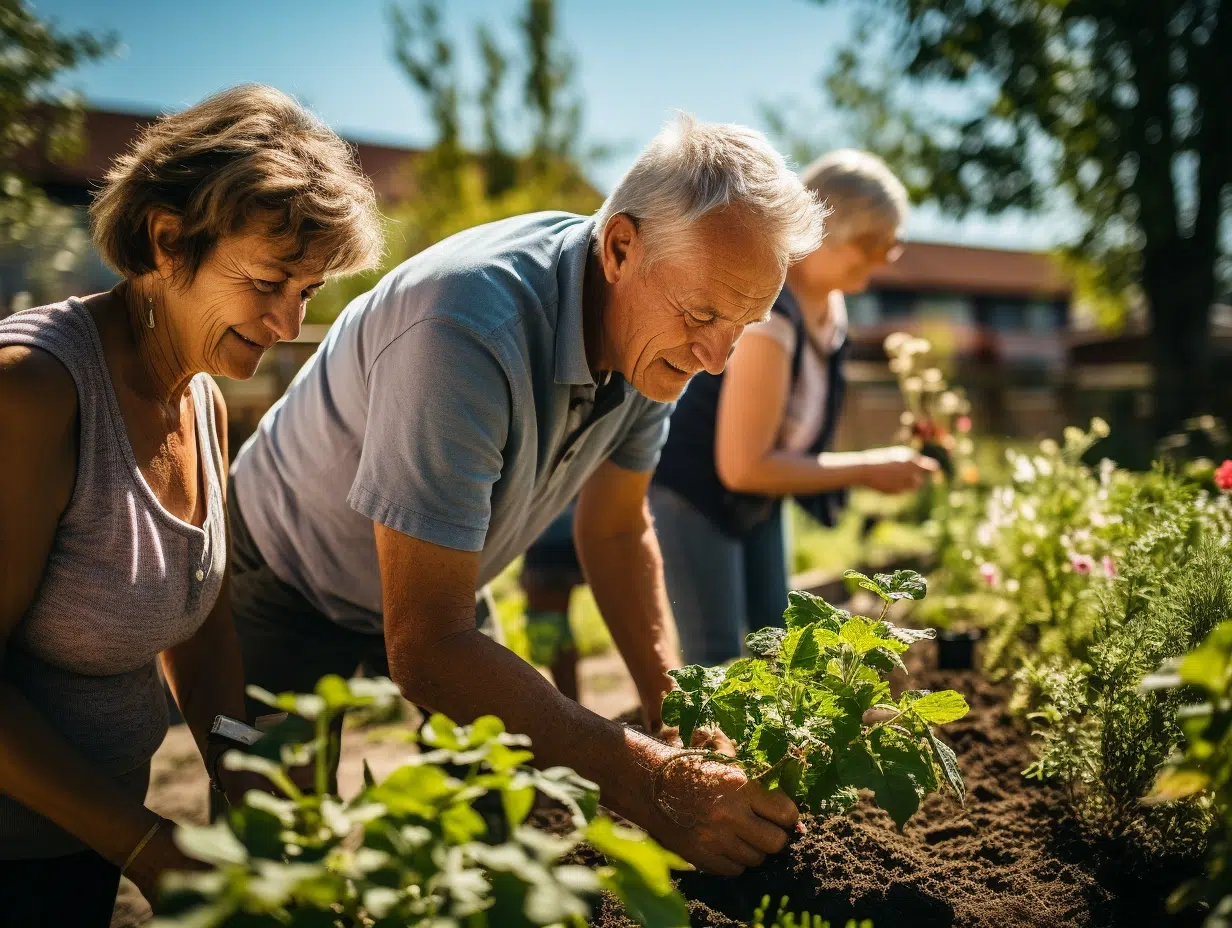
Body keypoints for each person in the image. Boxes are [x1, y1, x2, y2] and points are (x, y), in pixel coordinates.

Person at [227, 113, 826, 876]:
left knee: (500, 830)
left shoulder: (657, 333)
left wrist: (681, 717)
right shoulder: (464, 325)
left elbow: (614, 531)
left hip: (441, 581)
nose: (716, 357)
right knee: (276, 860)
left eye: (742, 326)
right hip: (284, 574)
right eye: (704, 315)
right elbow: (429, 648)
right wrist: (652, 783)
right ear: (620, 248)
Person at [0, 84, 382, 925]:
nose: (288, 322)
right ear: (167, 241)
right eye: (270, 280)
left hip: (82, 843)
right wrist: (147, 848)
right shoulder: (33, 392)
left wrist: (249, 782)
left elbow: (197, 622)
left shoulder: (198, 394)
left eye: (310, 291)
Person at [651, 149, 939, 666]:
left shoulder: (831, 303)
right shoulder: (772, 313)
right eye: (869, 243)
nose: (880, 260)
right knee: (716, 662)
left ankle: (773, 751)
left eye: (889, 246)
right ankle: (701, 749)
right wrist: (869, 468)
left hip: (761, 493)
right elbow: (743, 466)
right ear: (821, 227)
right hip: (694, 494)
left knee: (777, 648)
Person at [520, 502, 584, 700]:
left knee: (637, 627)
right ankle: (575, 718)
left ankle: (656, 716)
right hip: (544, 531)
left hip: (612, 519)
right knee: (548, 633)